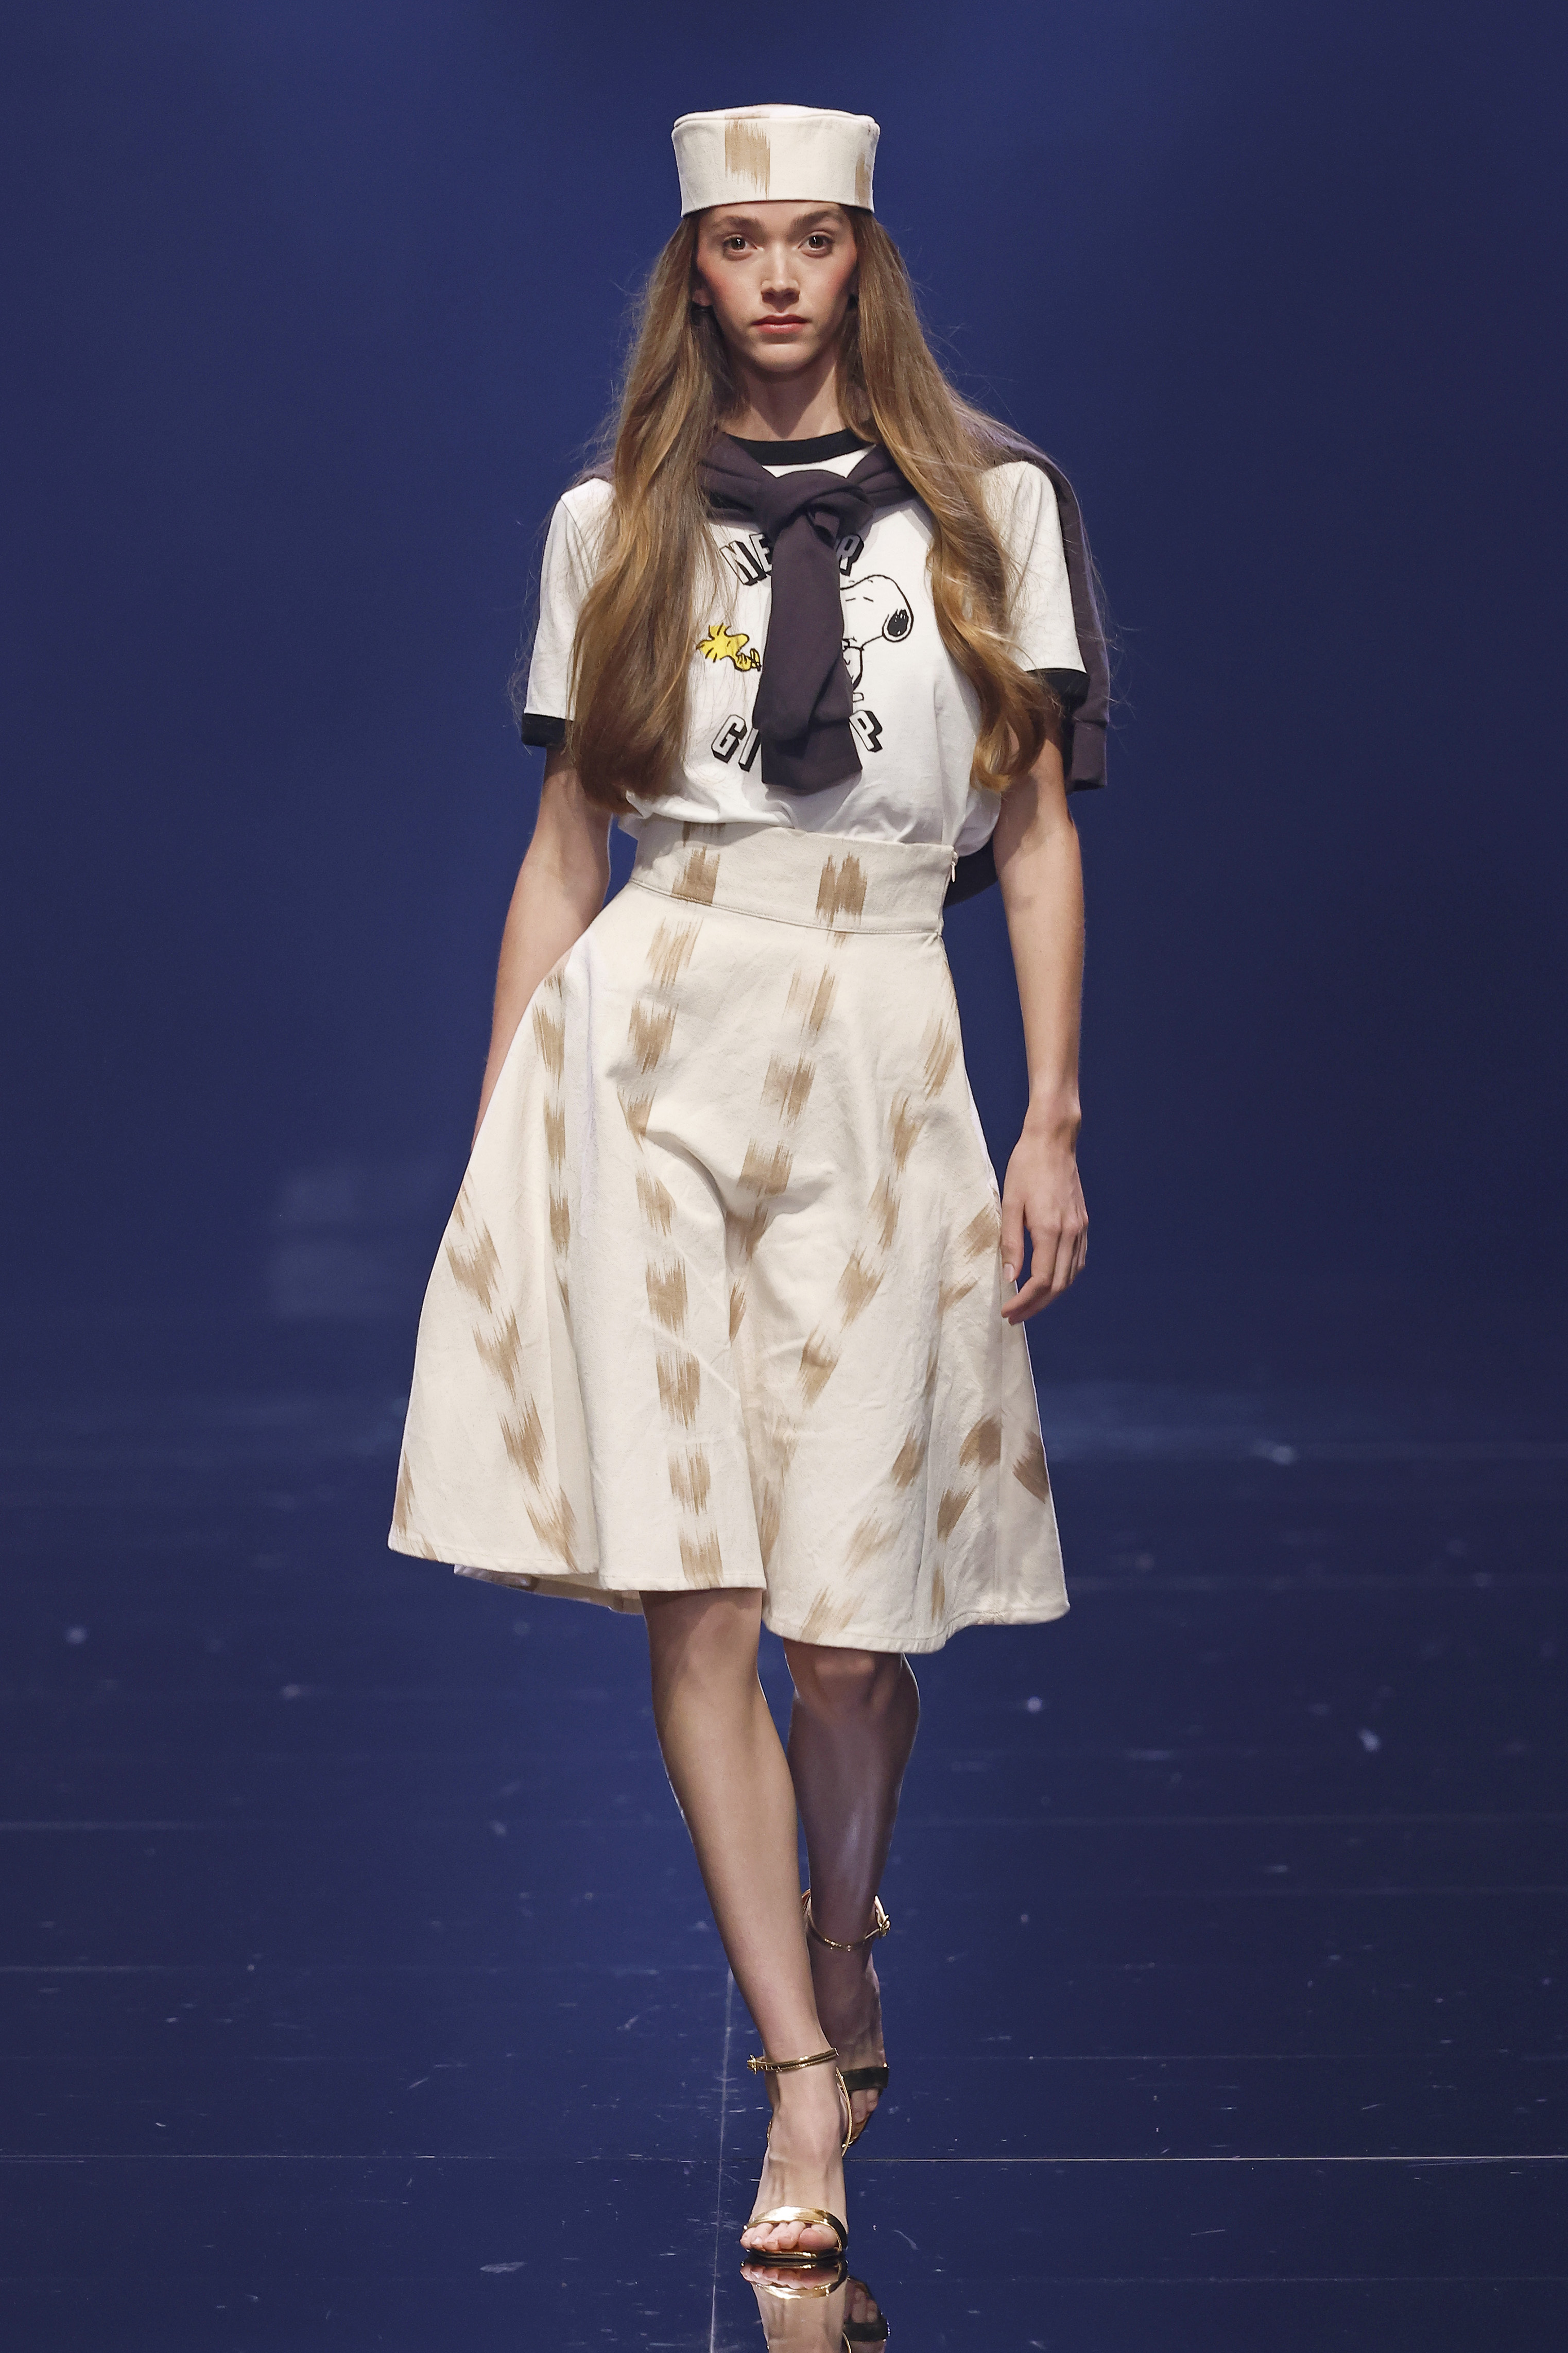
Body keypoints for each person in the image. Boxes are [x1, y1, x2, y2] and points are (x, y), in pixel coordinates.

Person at [390, 102, 1105, 2269]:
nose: (779, 279)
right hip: (648, 1031)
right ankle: (803, 2073)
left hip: (883, 1033)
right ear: (692, 271)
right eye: (740, 244)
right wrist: (504, 1134)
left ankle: (846, 1935)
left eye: (814, 241)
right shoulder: (610, 522)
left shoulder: (992, 509)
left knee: (846, 1634)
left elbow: (1036, 834)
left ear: (863, 261)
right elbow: (563, 851)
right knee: (697, 1590)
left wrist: (1053, 1118)